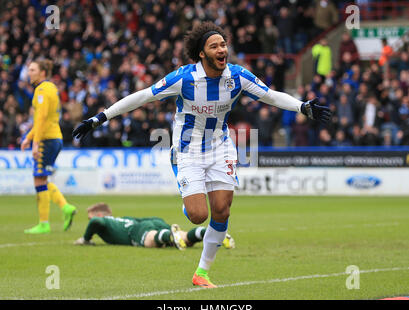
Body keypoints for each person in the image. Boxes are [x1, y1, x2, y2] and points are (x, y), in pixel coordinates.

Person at [73, 21, 331, 288]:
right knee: (198, 215)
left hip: (220, 147)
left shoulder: (237, 76)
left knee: (222, 210)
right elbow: (142, 97)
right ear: (202, 53)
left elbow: (270, 95)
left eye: (223, 44)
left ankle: (202, 273)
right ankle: (186, 191)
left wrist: (302, 107)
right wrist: (100, 117)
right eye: (214, 46)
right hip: (187, 151)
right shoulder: (183, 78)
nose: (222, 49)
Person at [20, 59, 77, 234]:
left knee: (39, 179)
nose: (29, 72)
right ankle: (65, 207)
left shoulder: (42, 90)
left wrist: (35, 143)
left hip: (46, 140)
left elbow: (41, 119)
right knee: (43, 178)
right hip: (54, 138)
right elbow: (44, 119)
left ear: (42, 72)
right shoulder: (52, 88)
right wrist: (28, 138)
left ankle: (44, 223)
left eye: (32, 69)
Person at [74, 202, 235, 250]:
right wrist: (162, 224)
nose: (90, 221)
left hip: (137, 232)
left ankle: (172, 236)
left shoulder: (105, 222)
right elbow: (145, 219)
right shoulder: (123, 219)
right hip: (150, 222)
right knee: (184, 238)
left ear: (101, 215)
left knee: (152, 241)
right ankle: (210, 233)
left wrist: (85, 239)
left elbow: (96, 222)